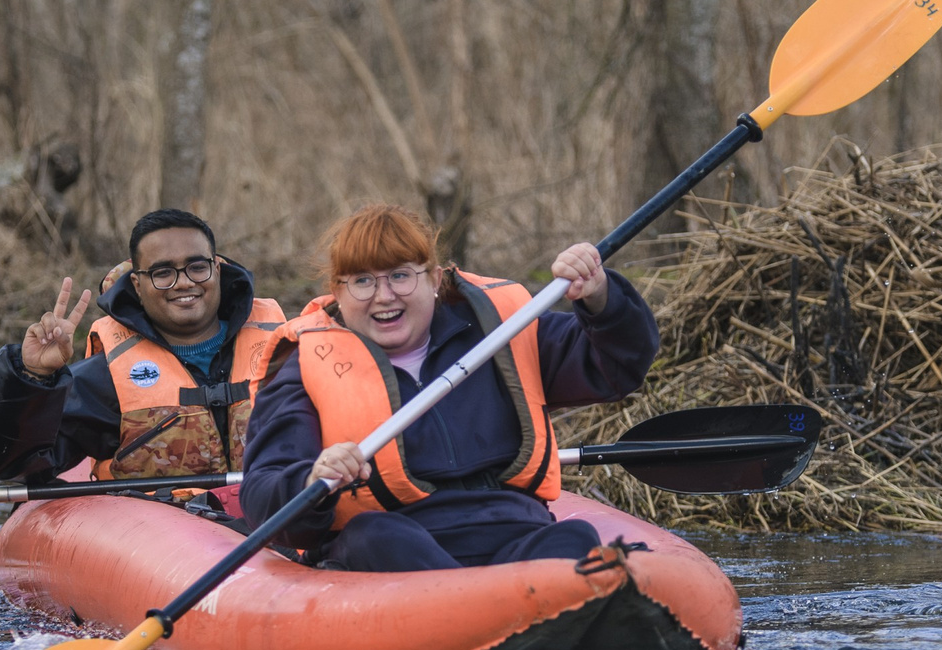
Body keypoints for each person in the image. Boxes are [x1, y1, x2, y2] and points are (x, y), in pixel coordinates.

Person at [239, 203, 660, 571]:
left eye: (401, 276)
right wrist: (313, 479)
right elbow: (262, 497)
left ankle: (532, 612)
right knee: (379, 538)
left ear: (435, 279)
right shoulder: (304, 368)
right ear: (338, 291)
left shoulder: (502, 330)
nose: (384, 296)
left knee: (574, 539)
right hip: (391, 540)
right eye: (362, 281)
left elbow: (619, 367)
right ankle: (476, 616)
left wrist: (601, 297)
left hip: (510, 527)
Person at [0, 208, 287, 485]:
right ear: (137, 284)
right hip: (163, 538)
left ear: (216, 270)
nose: (184, 282)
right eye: (163, 273)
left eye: (197, 267)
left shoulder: (285, 351)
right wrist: (34, 378)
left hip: (276, 520)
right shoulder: (106, 377)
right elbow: (10, 465)